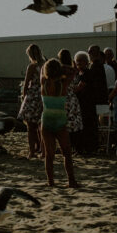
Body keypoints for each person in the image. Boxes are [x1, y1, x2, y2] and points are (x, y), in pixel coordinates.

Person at [40, 59, 79, 188]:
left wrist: (51, 68)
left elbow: (42, 70)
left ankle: (50, 181)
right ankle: (71, 181)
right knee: (66, 153)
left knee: (49, 155)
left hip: (46, 120)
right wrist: (63, 67)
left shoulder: (43, 82)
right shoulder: (64, 83)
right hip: (60, 119)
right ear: (59, 70)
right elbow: (74, 70)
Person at [18, 43, 45, 159]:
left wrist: (24, 96)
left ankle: (32, 151)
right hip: (43, 95)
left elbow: (26, 82)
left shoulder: (32, 66)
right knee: (41, 125)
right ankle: (42, 150)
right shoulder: (45, 65)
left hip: (33, 95)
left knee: (30, 126)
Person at [72, 51, 99, 155]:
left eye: (80, 61)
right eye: (77, 61)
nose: (78, 63)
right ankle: (81, 147)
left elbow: (79, 87)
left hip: (87, 104)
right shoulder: (79, 74)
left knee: (88, 126)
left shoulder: (87, 73)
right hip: (81, 104)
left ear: (86, 62)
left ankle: (89, 148)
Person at [57, 49, 83, 141]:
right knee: (72, 121)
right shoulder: (74, 70)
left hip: (62, 96)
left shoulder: (60, 70)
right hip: (72, 97)